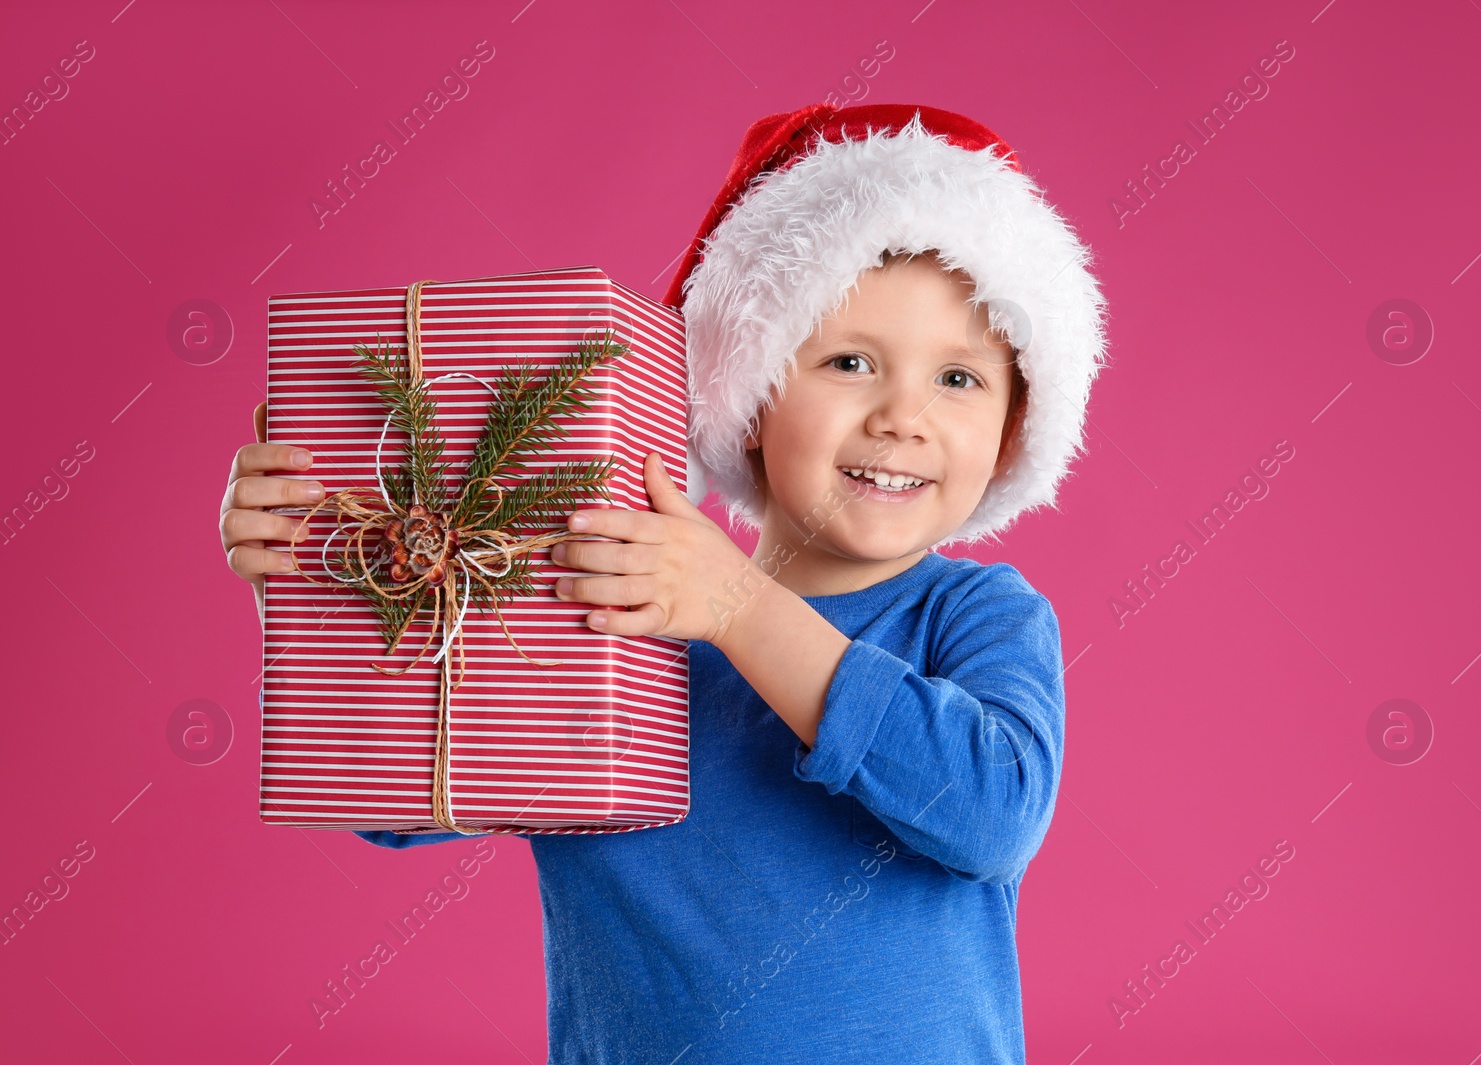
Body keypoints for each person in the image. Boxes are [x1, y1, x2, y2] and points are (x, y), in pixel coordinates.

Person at [219, 103, 1109, 1063]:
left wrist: (736, 606)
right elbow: (392, 804)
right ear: (753, 390)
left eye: (960, 379)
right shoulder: (613, 622)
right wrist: (327, 578)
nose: (905, 416)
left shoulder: (977, 613)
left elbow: (990, 814)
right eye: (850, 362)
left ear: (1016, 422)